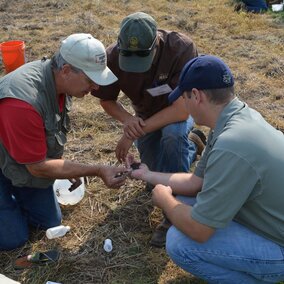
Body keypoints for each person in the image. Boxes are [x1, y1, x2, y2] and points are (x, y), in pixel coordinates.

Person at [130, 55, 284, 282]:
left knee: (180, 243)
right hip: (270, 222)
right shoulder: (236, 118)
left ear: (197, 96)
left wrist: (165, 200)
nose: (184, 104)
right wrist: (147, 174)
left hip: (278, 246)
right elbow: (195, 183)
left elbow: (199, 230)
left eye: (184, 97)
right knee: (183, 198)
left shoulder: (231, 146)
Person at [0, 33, 129, 251]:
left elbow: (46, 143)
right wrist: (96, 170)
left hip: (19, 160)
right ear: (67, 70)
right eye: (90, 79)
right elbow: (38, 167)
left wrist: (70, 170)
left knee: (49, 223)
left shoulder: (61, 84)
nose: (95, 87)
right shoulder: (23, 102)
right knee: (14, 240)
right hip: (15, 162)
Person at [92, 12, 206, 247]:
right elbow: (107, 100)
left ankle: (175, 212)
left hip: (175, 112)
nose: (135, 69)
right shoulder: (111, 56)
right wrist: (127, 120)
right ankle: (192, 148)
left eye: (142, 59)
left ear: (156, 44)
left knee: (173, 136)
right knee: (153, 179)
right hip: (145, 115)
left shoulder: (180, 48)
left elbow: (181, 111)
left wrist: (132, 134)